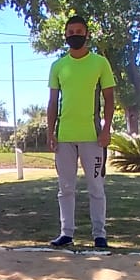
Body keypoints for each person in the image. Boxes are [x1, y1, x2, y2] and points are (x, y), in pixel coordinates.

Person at [47, 15, 115, 250]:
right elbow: (53, 102)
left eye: (79, 31)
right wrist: (50, 131)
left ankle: (99, 234)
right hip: (64, 137)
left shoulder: (100, 63)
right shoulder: (58, 66)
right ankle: (66, 233)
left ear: (87, 34)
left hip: (93, 137)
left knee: (96, 188)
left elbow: (109, 99)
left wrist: (106, 130)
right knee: (65, 188)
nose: (74, 35)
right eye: (70, 31)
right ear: (65, 35)